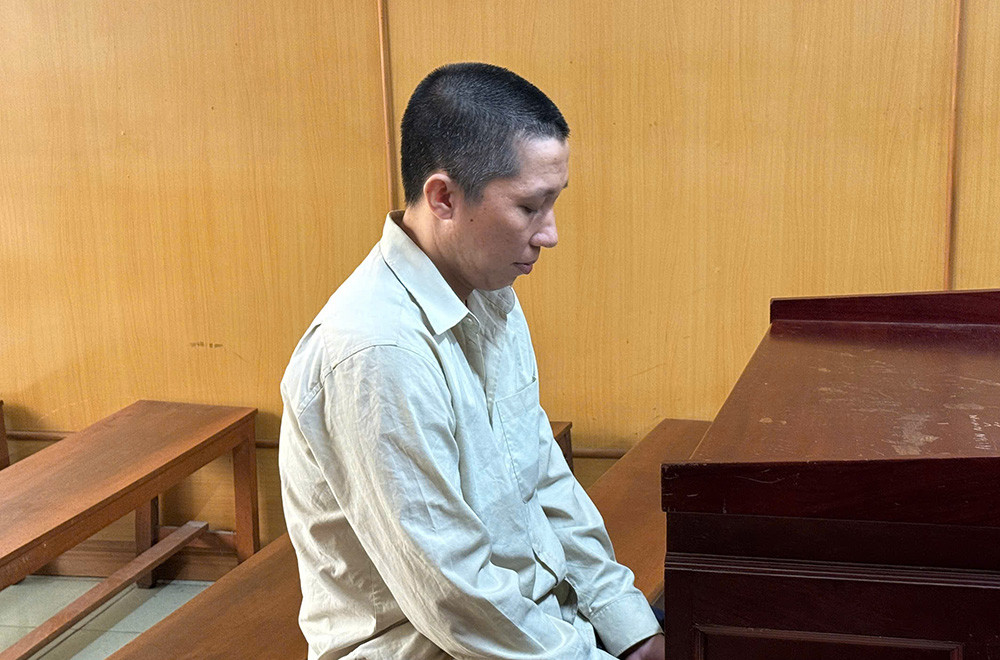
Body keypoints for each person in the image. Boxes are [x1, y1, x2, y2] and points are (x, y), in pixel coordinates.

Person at [278, 62, 664, 660]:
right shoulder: (376, 352)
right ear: (443, 198)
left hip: (538, 627)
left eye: (553, 203)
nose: (550, 233)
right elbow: (456, 599)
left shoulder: (489, 292)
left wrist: (629, 625)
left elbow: (544, 478)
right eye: (530, 207)